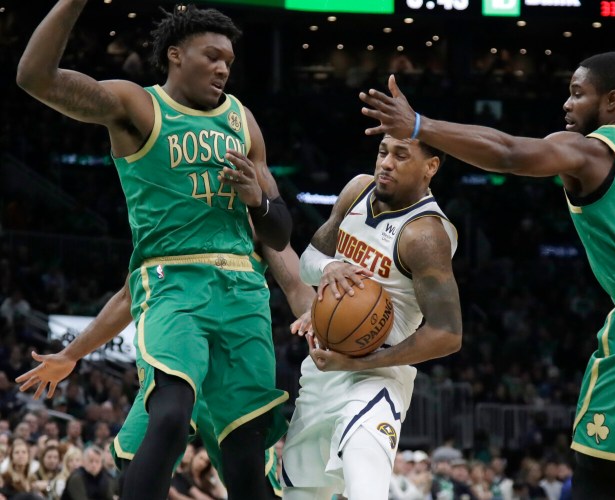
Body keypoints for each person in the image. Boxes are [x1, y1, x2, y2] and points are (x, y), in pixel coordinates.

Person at [359, 51, 615, 499]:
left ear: (611, 102)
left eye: (578, 94)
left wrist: (420, 126)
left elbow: (508, 152)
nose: (567, 103)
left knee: (593, 477)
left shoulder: (591, 150)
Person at [17, 2, 293, 499]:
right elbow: (35, 78)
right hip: (173, 284)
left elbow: (277, 235)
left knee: (247, 462)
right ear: (175, 55)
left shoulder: (242, 120)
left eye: (228, 60)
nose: (223, 68)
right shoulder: (139, 107)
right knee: (169, 416)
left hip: (246, 292)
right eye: (211, 56)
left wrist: (258, 201)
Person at [16, 239, 316, 498]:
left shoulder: (252, 209)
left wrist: (318, 319)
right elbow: (129, 293)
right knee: (141, 458)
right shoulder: (175, 209)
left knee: (255, 480)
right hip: (180, 351)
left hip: (230, 360)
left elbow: (295, 283)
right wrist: (71, 354)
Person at [282, 134, 463, 499]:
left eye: (401, 155)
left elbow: (447, 334)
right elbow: (308, 263)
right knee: (301, 492)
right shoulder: (358, 190)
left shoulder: (425, 235)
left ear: (431, 167)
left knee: (366, 484)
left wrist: (358, 362)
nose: (386, 163)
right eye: (383, 152)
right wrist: (330, 275)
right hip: (323, 370)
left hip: (379, 375)